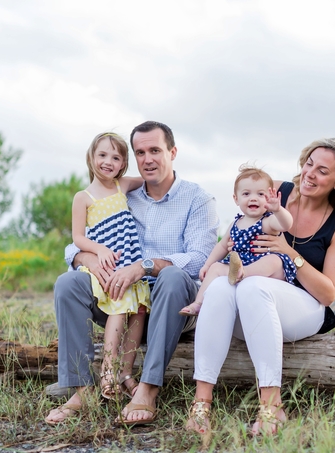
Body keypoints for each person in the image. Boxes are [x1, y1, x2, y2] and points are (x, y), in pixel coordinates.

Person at [185, 138, 335, 436]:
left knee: (252, 286)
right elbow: (238, 215)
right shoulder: (274, 191)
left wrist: (289, 252)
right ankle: (201, 403)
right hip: (250, 301)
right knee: (221, 287)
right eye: (309, 163)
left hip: (303, 309)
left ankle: (272, 406)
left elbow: (328, 294)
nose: (310, 173)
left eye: (323, 171)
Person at [45, 121, 218, 425]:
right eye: (141, 152)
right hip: (120, 301)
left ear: (173, 152)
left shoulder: (196, 198)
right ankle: (81, 388)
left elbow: (200, 261)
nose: (148, 158)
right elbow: (73, 247)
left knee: (173, 275)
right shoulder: (122, 194)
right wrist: (89, 257)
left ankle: (147, 390)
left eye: (155, 150)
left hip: (174, 305)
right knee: (69, 282)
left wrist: (145, 265)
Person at [69, 132, 147, 402]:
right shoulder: (84, 196)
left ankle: (125, 371)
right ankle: (108, 369)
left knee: (139, 310)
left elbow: (151, 179)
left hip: (131, 260)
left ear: (123, 163)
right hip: (109, 262)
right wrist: (99, 249)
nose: (108, 162)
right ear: (91, 158)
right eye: (102, 155)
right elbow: (78, 237)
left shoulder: (121, 185)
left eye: (116, 157)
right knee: (118, 306)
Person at [179, 164, 294, 316]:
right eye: (246, 194)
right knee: (215, 268)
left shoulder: (268, 221)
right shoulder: (235, 224)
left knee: (275, 260)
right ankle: (198, 303)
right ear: (236, 199)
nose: (253, 198)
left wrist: (278, 210)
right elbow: (221, 246)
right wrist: (207, 264)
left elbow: (286, 225)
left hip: (265, 269)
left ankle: (243, 273)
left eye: (260, 194)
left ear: (269, 197)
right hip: (239, 264)